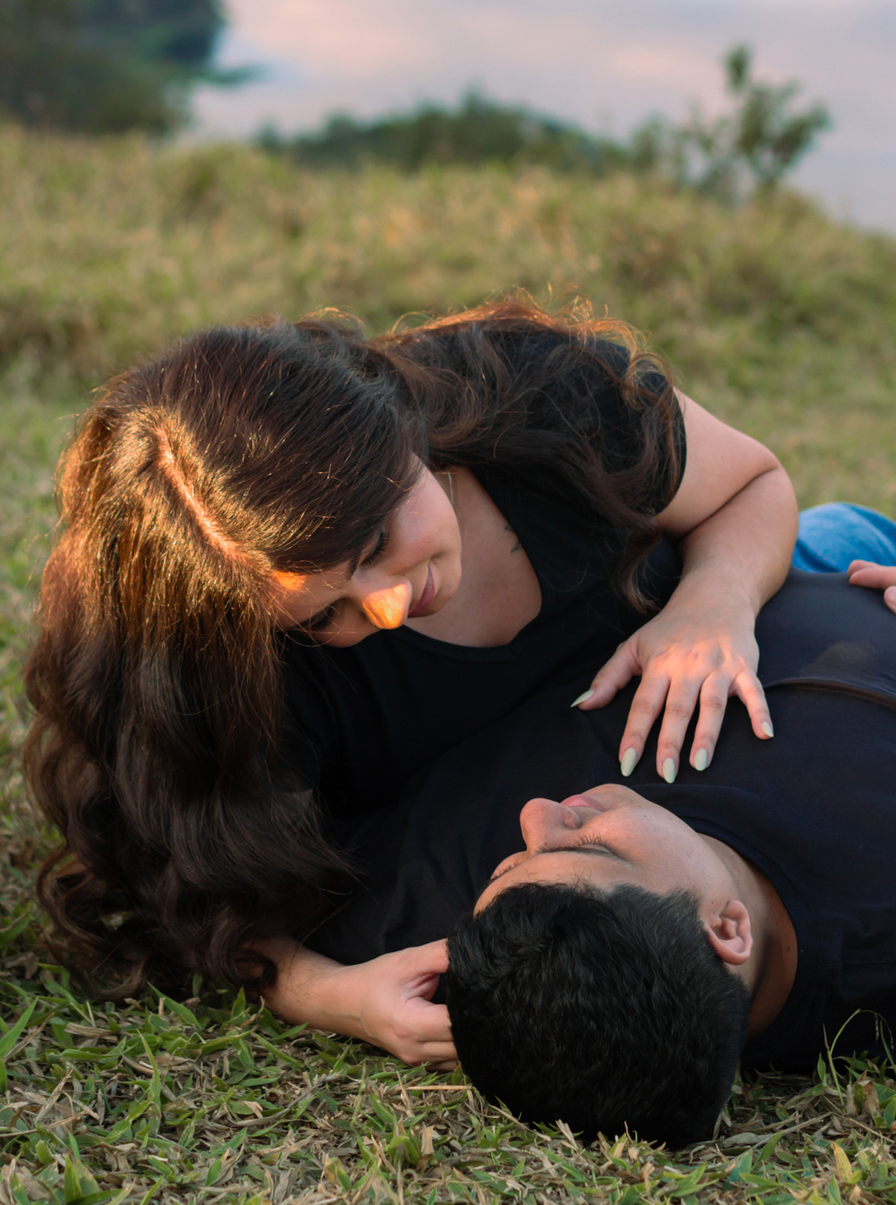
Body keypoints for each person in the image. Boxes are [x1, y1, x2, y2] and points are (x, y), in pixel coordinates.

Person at [263, 402, 896, 1148]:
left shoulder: (489, 907)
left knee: (833, 528)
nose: (543, 813)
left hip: (759, 583)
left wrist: (317, 991)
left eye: (524, 853)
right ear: (726, 928)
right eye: (588, 842)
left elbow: (197, 906)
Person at [23, 300, 798, 1001]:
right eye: (326, 612)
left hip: (762, 599)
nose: (389, 608)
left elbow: (753, 483)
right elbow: (191, 881)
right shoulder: (244, 670)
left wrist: (713, 601)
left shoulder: (542, 393)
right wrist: (323, 992)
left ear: (397, 435)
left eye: (378, 540)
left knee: (881, 560)